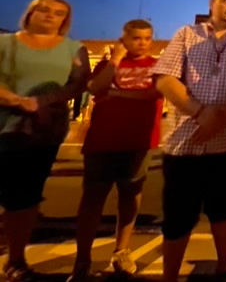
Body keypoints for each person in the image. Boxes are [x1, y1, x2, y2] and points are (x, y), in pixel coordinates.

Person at [152, 0, 226, 282]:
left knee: (225, 210)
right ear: (212, 3)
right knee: (178, 216)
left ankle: (224, 266)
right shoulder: (186, 35)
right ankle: (169, 276)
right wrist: (201, 113)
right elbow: (165, 79)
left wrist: (222, 117)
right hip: (185, 143)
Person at [0, 0, 90, 282]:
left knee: (25, 197)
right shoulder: (5, 43)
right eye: (44, 10)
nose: (51, 16)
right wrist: (16, 100)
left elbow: (78, 84)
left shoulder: (74, 49)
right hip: (3, 122)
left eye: (59, 13)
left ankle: (16, 259)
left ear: (66, 20)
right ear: (30, 13)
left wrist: (43, 101)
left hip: (41, 132)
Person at [68, 19, 163, 281]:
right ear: (124, 40)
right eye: (136, 38)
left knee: (130, 196)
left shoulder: (157, 65)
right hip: (103, 139)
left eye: (147, 38)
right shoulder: (108, 64)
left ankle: (122, 250)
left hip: (139, 140)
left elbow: (153, 94)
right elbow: (95, 88)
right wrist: (115, 60)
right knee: (92, 199)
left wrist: (118, 94)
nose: (142, 43)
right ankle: (82, 259)